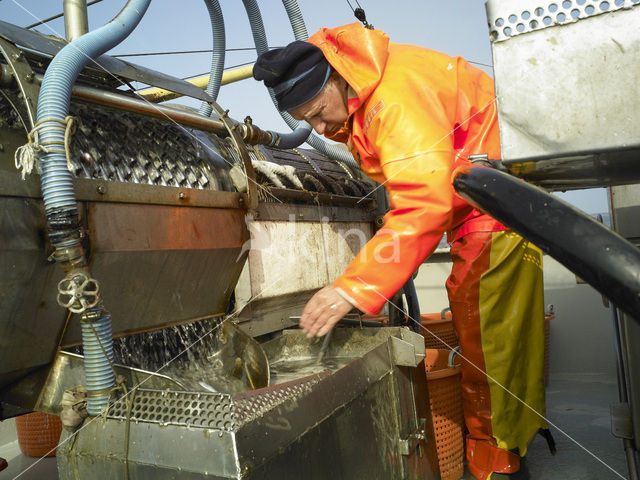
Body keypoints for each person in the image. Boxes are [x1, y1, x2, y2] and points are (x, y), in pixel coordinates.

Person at [253, 23, 546, 480]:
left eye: (317, 111)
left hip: (498, 205)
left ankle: (500, 464)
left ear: (335, 77)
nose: (319, 127)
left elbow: (424, 203)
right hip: (474, 207)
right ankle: (500, 447)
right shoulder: (360, 96)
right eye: (306, 122)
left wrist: (352, 288)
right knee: (484, 332)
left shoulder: (393, 100)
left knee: (489, 338)